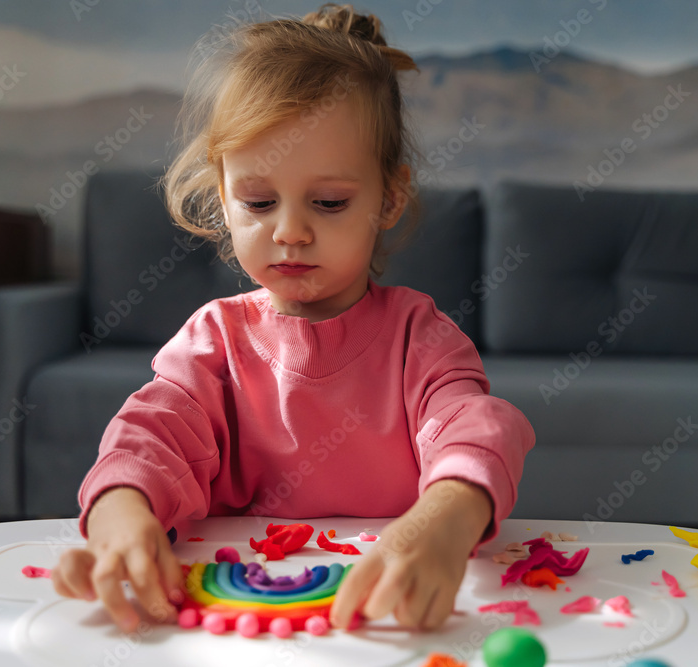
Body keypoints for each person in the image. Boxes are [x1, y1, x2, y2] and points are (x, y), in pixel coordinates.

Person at [51, 3, 535, 635]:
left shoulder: (420, 336)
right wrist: (123, 513)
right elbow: (152, 438)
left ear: (389, 197)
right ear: (222, 196)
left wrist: (445, 516)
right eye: (258, 200)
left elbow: (476, 429)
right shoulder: (215, 341)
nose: (290, 231)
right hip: (231, 620)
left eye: (329, 202)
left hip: (381, 619)